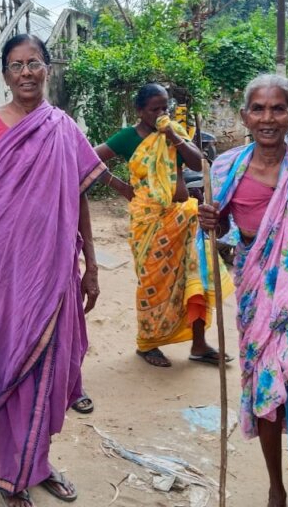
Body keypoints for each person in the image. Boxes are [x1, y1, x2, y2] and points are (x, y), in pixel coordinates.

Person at [0, 34, 105, 507]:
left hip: (55, 264)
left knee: (49, 362)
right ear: (4, 74)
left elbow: (79, 194)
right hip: (2, 266)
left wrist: (92, 265)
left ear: (47, 69)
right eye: (16, 65)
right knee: (9, 363)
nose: (25, 73)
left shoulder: (62, 126)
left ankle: (36, 464)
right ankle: (6, 475)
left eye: (34, 63)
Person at [199, 74, 288, 507]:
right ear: (246, 116)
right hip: (255, 291)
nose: (268, 118)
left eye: (277, 108)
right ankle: (275, 489)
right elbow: (225, 229)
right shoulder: (225, 167)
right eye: (258, 109)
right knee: (267, 393)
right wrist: (213, 222)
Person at [94, 83, 227, 368]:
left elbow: (197, 162)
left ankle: (199, 343)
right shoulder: (128, 137)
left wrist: (173, 135)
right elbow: (88, 156)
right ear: (139, 110)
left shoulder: (174, 133)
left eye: (164, 107)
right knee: (152, 284)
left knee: (195, 281)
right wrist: (118, 185)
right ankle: (149, 343)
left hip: (184, 218)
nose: (160, 113)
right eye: (154, 109)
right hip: (149, 223)